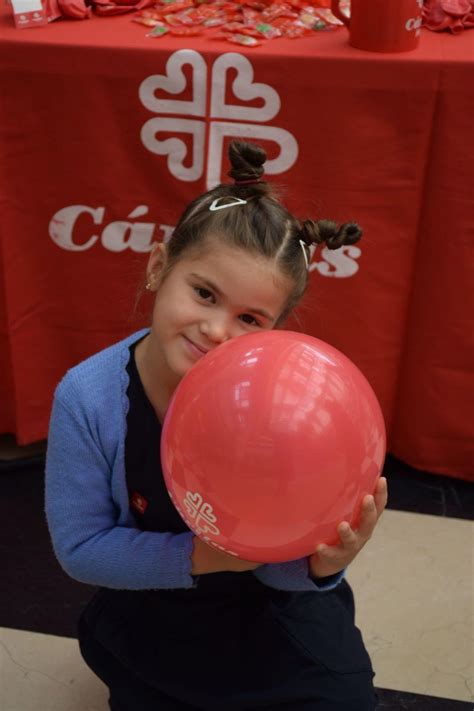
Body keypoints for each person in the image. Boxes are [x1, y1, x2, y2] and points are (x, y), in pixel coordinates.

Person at [45, 140, 388, 711]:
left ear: (277, 328)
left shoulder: (283, 410)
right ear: (159, 267)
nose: (216, 331)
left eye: (249, 319)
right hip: (154, 608)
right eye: (204, 293)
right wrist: (203, 558)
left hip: (270, 612)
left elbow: (282, 570)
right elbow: (80, 548)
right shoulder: (88, 397)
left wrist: (320, 565)